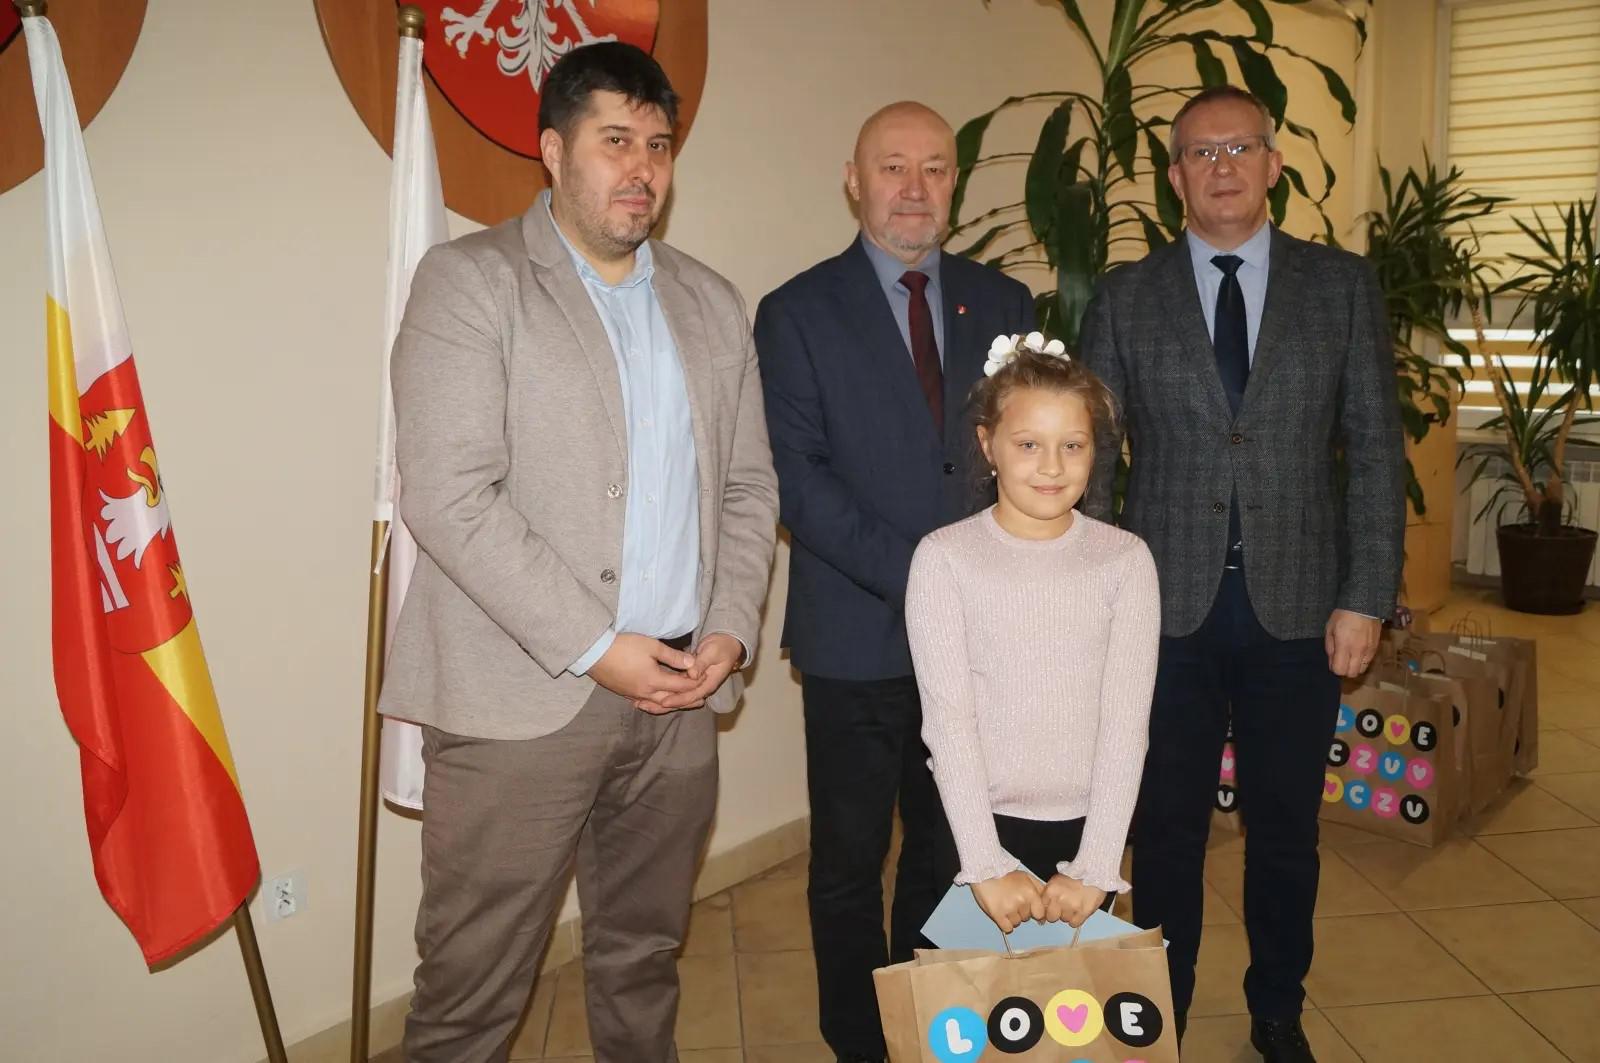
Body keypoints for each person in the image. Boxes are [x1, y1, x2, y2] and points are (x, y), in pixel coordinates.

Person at [381, 42, 778, 1063]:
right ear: (553, 151)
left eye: (658, 145)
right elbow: (449, 496)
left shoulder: (711, 301)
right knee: (470, 994)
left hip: (682, 690)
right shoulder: (470, 282)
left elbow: (746, 487)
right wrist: (599, 646)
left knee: (643, 960)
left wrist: (730, 629)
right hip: (518, 702)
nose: (641, 167)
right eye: (614, 141)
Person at [1078, 85, 1405, 1063]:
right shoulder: (1125, 297)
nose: (1221, 166)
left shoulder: (1339, 287)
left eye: (1240, 147)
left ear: (1272, 163)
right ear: (1173, 177)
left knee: (1286, 830)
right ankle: (1162, 1010)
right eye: (1200, 152)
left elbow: (1374, 449)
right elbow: (1091, 462)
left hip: (1300, 610)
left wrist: (1365, 595)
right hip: (1161, 612)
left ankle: (1276, 1007)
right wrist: (1092, 605)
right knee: (1164, 830)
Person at [754, 100, 1037, 1063]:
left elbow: (1028, 455)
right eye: (892, 167)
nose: (915, 188)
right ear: (854, 181)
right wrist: (931, 575)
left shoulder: (1005, 304)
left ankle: (925, 1021)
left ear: (955, 182)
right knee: (847, 860)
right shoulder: (795, 312)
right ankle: (857, 1040)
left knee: (950, 847)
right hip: (856, 634)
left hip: (981, 643)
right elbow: (799, 481)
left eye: (935, 168)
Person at [907, 333, 1160, 936]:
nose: (1052, 466)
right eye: (1028, 444)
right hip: (974, 828)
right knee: (976, 995)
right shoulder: (944, 558)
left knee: (1077, 996)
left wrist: (1097, 864)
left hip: (1091, 830)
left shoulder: (1125, 560)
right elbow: (948, 723)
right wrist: (986, 864)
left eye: (1073, 445)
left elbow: (1126, 724)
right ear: (987, 444)